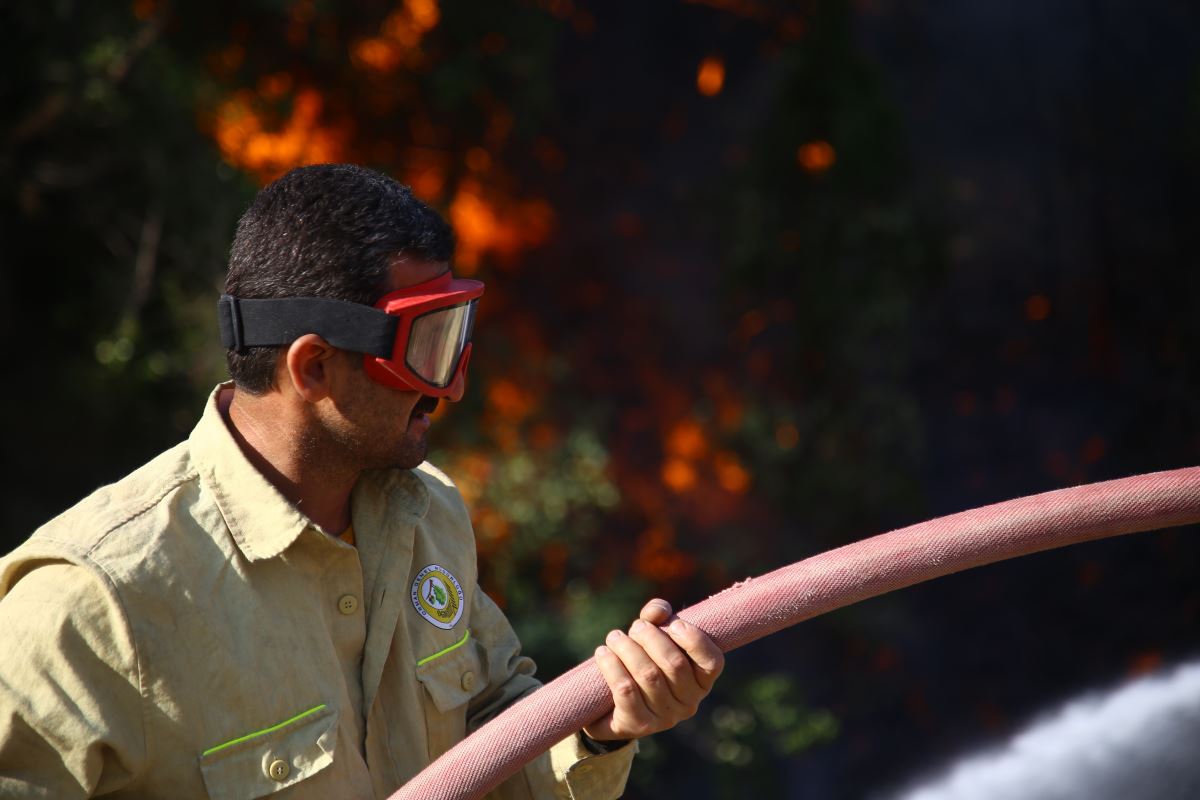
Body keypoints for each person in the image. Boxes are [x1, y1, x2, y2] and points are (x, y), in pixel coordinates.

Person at [0, 164, 723, 799]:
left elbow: (498, 750)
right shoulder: (94, 605)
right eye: (425, 348)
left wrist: (601, 726)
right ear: (313, 367)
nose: (452, 390)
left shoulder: (425, 515)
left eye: (456, 335)